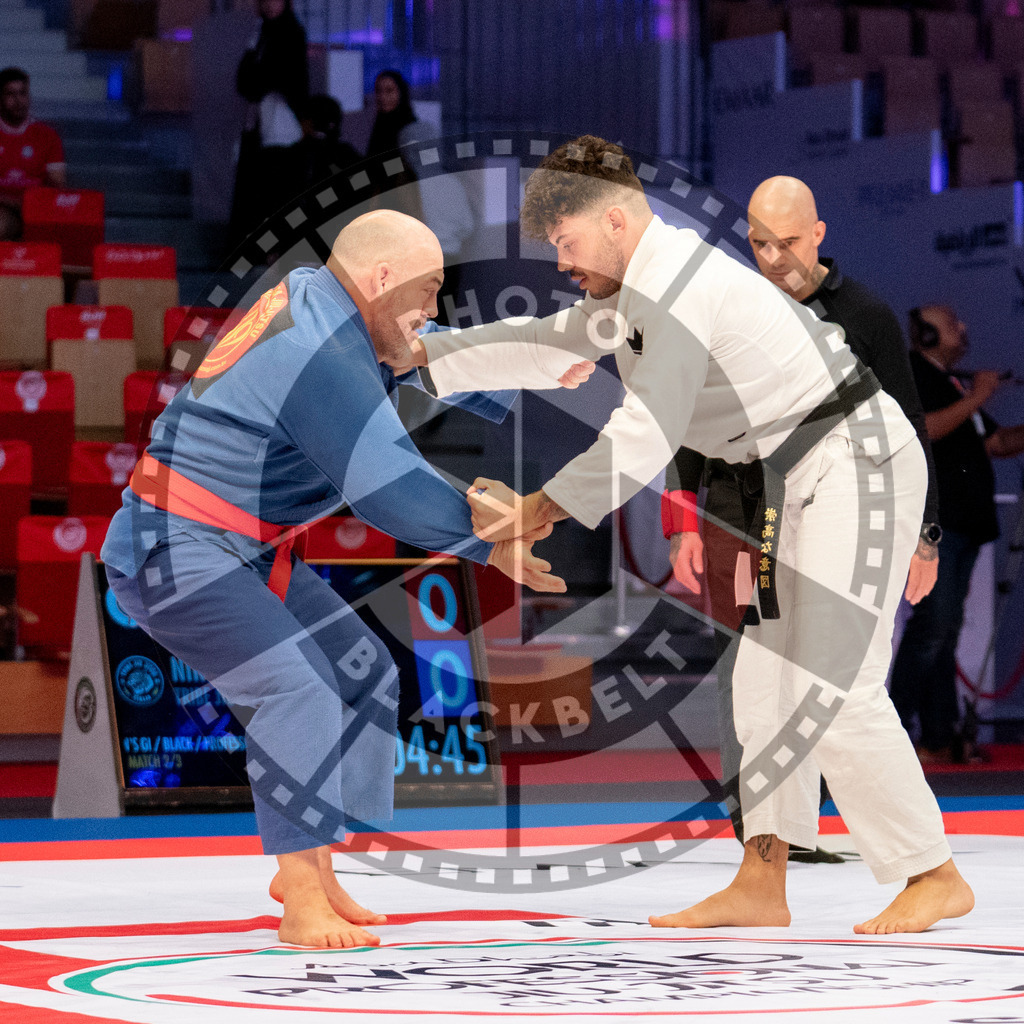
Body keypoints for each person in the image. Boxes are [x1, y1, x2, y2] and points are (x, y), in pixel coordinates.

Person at [404, 135, 974, 934]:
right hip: (797, 473)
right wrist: (418, 357)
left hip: (857, 461)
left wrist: (537, 509)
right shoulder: (631, 298)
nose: (561, 261)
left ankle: (931, 871)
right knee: (763, 683)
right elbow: (545, 341)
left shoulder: (674, 286)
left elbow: (644, 434)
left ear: (611, 219)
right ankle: (762, 881)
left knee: (830, 685)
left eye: (565, 243)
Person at [101, 210, 579, 949]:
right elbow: (387, 488)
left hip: (245, 550)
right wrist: (489, 540)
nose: (433, 308)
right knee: (297, 688)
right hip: (174, 551)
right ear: (383, 279)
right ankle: (300, 896)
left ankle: (316, 865)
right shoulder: (318, 347)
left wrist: (528, 361)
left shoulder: (319, 295)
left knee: (363, 674)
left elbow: (408, 353)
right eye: (429, 290)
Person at [663, 176, 941, 853]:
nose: (775, 257)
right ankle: (765, 836)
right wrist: (681, 520)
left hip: (839, 499)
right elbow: (687, 412)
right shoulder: (733, 307)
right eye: (760, 244)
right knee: (753, 669)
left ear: (818, 234)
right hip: (740, 506)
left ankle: (886, 845)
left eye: (788, 242)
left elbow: (910, 424)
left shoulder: (866, 314)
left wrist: (924, 537)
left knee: (833, 673)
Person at [890, 304, 1024, 761]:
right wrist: (978, 396)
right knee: (932, 627)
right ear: (926, 336)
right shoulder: (909, 374)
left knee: (944, 631)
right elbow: (922, 429)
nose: (964, 329)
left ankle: (937, 735)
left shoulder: (952, 383)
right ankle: (894, 728)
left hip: (966, 521)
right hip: (934, 523)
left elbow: (995, 443)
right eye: (952, 324)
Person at [230, 0, 309, 244]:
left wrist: (259, 80)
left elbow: (282, 75)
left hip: (282, 122)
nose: (269, 5)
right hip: (260, 119)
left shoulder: (291, 33)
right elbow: (245, 77)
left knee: (276, 187)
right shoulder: (260, 32)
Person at [0, 67, 65, 241]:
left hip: (38, 210)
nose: (18, 101)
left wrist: (31, 206)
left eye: (23, 93)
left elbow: (57, 184)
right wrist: (12, 203)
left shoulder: (47, 136)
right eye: (10, 95)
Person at [366, 70, 425, 221]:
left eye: (389, 91)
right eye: (379, 91)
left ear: (401, 93)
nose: (382, 97)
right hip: (383, 202)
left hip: (403, 203)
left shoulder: (410, 128)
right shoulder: (379, 126)